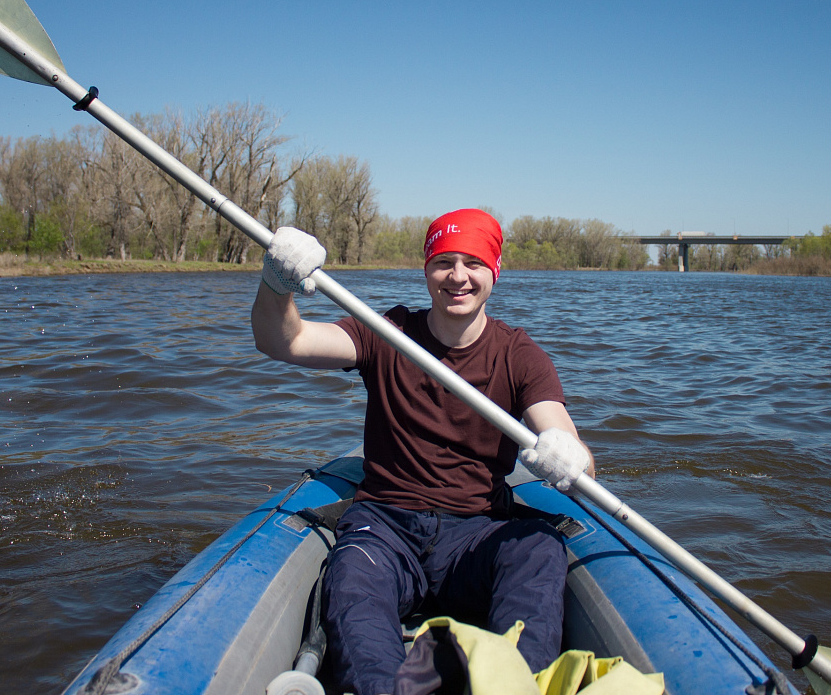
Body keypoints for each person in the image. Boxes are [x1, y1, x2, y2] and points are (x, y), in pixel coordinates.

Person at [251, 208, 594, 695]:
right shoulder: (386, 331)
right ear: (426, 269)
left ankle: (509, 684)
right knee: (352, 577)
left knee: (539, 547)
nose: (458, 277)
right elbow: (284, 341)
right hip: (385, 527)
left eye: (473, 263)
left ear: (494, 271)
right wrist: (276, 283)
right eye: (444, 261)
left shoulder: (519, 354)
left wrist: (568, 454)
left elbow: (564, 436)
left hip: (478, 531)